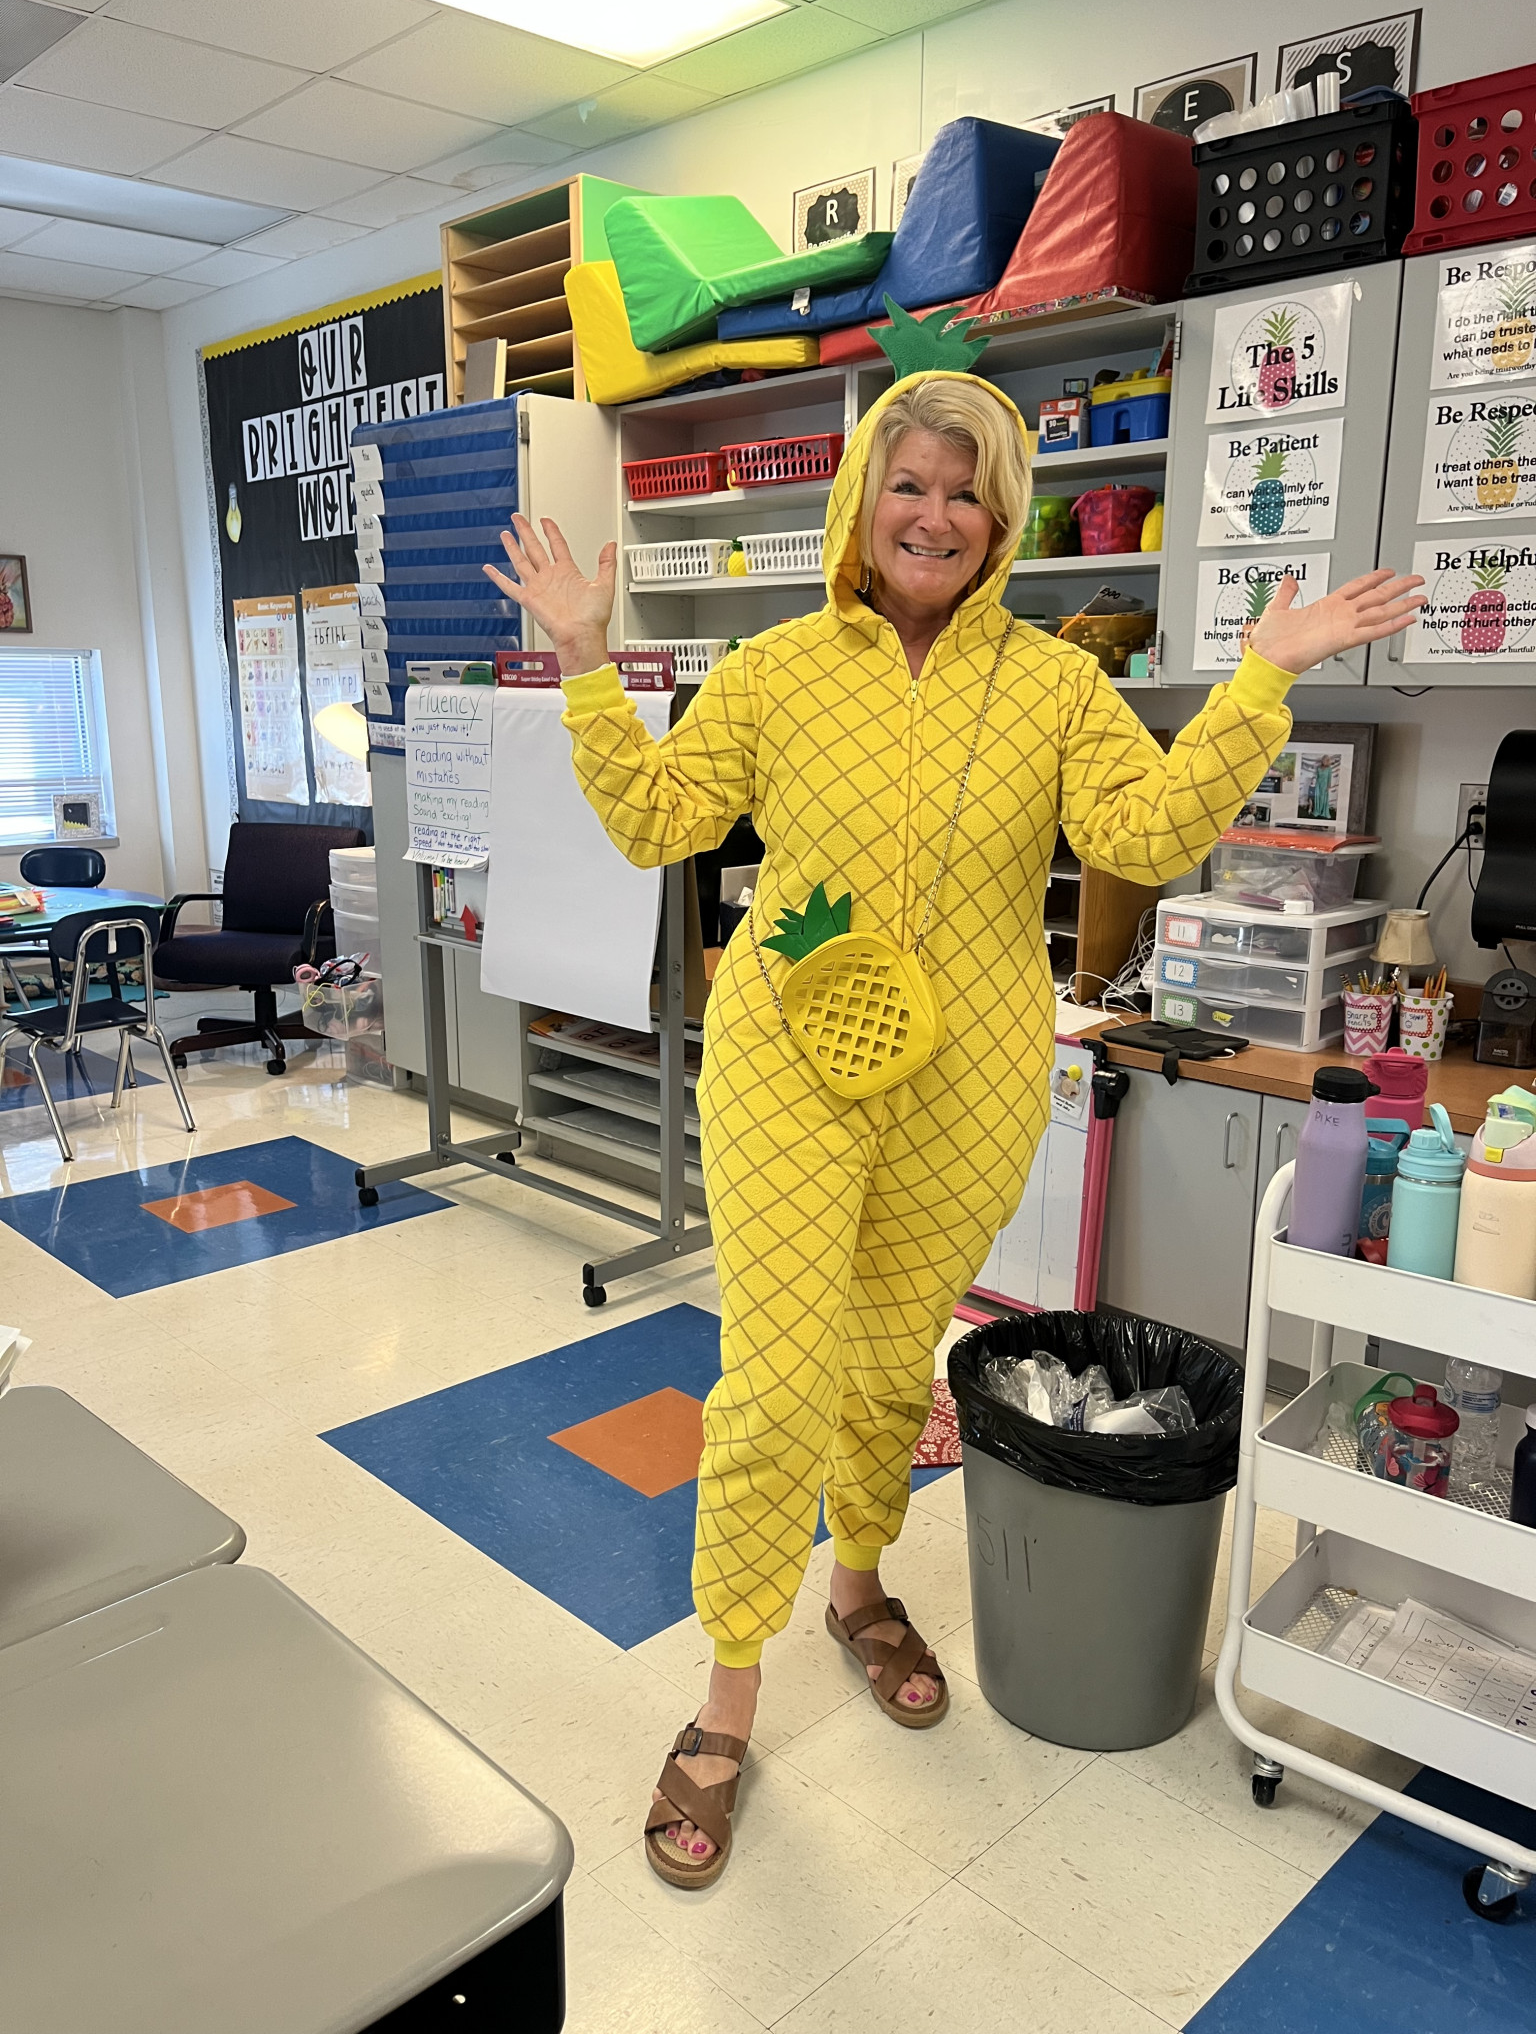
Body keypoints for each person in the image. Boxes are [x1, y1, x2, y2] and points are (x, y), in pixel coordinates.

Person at [486, 369, 1423, 1888]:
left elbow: (1143, 831)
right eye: (909, 483)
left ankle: (860, 1585)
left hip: (973, 1073)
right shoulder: (777, 670)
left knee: (886, 1358)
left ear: (1003, 519)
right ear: (863, 498)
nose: (936, 514)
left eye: (968, 490)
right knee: (776, 1375)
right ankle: (728, 1693)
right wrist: (589, 662)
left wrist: (1263, 677)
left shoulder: (1054, 685)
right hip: (789, 1055)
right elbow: (661, 821)